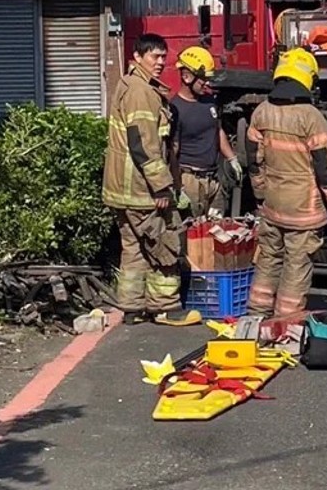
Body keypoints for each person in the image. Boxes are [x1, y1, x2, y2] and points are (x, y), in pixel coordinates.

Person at [102, 33, 201, 326]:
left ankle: (132, 308)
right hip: (141, 190)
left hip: (122, 190)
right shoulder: (141, 92)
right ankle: (167, 308)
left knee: (133, 248)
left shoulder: (129, 85)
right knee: (164, 244)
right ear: (137, 57)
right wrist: (161, 186)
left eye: (162, 56)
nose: (160, 62)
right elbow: (144, 144)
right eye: (153, 56)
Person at [245, 48, 327, 318]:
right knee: (297, 264)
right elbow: (326, 169)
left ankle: (256, 315)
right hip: (304, 210)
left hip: (272, 204)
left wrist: (260, 194)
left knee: (268, 258)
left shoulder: (261, 112)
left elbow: (254, 161)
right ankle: (285, 321)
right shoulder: (311, 117)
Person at [170, 46, 242, 218]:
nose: (207, 84)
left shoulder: (209, 102)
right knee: (193, 235)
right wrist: (176, 185)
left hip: (213, 181)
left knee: (216, 232)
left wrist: (232, 159)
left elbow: (217, 130)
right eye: (203, 80)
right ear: (186, 76)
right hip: (190, 182)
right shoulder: (175, 109)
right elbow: (172, 150)